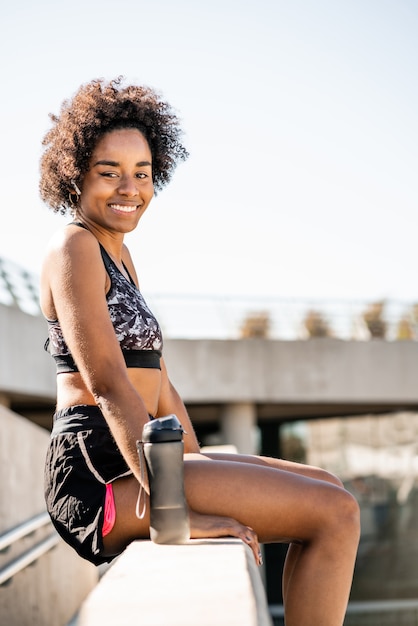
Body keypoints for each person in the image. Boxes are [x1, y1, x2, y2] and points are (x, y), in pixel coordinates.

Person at [40, 76, 360, 626]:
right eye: (108, 172)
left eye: (142, 173)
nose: (129, 188)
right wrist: (178, 508)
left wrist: (199, 463)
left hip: (144, 453)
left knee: (329, 489)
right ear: (76, 175)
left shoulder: (119, 254)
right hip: (100, 470)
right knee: (335, 514)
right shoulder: (73, 248)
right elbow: (110, 383)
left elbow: (158, 381)